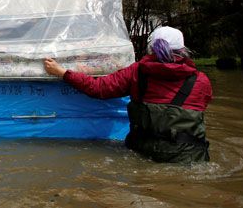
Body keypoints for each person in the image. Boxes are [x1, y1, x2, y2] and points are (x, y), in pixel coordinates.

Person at [43, 26, 212, 163]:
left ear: (150, 49)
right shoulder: (201, 81)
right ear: (183, 50)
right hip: (192, 158)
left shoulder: (137, 72)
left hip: (147, 155)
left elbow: (99, 88)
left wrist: (63, 72)